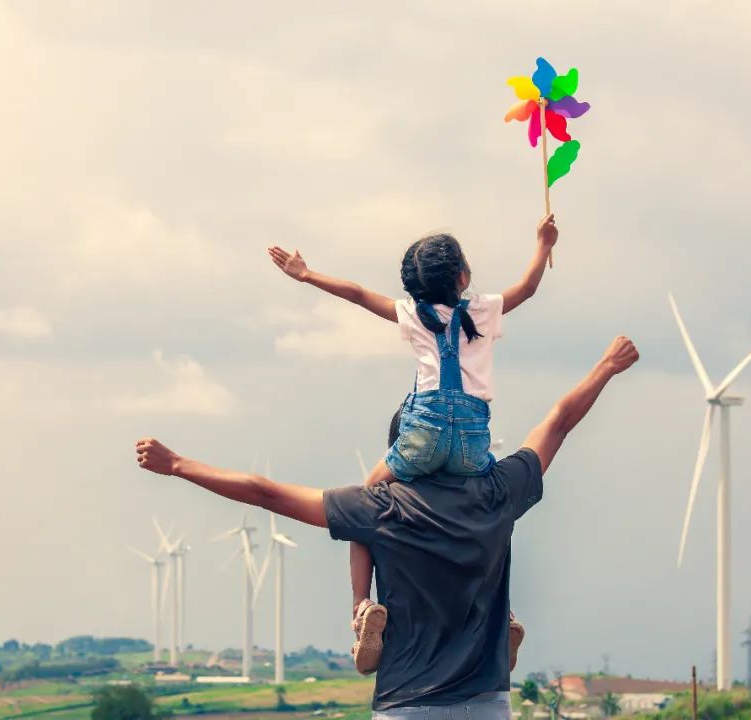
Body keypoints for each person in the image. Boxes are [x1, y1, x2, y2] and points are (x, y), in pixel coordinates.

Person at [137, 336, 639, 719]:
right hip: (486, 702)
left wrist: (179, 464)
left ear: (401, 452)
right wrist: (606, 366)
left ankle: (364, 614)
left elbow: (264, 490)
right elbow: (556, 422)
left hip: (407, 701)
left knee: (360, 536)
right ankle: (496, 631)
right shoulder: (497, 491)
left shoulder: (380, 507)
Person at [267, 215, 558, 672]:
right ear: (463, 277)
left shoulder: (412, 314)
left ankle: (362, 608)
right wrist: (544, 244)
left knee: (363, 507)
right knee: (493, 508)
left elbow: (359, 294)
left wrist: (307, 274)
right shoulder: (481, 310)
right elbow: (528, 287)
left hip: (420, 435)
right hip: (471, 443)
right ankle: (504, 614)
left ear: (414, 287)